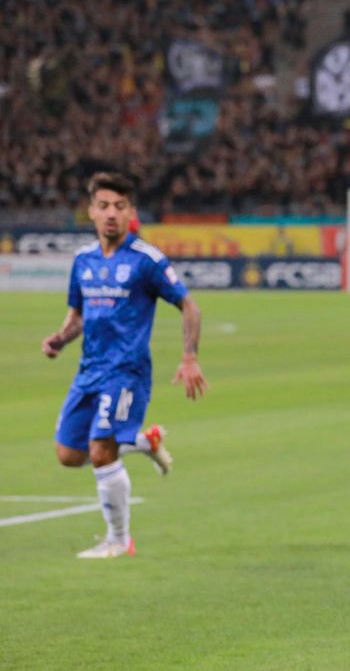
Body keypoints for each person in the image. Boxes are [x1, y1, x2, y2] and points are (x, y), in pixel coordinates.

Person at [42, 172, 208, 559]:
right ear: (91, 211)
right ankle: (143, 441)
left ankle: (119, 540)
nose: (111, 214)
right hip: (89, 371)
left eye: (119, 206)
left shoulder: (146, 260)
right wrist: (60, 339)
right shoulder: (83, 260)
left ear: (131, 212)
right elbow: (78, 316)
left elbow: (189, 305)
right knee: (69, 455)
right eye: (103, 206)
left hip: (127, 372)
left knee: (101, 451)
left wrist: (189, 357)